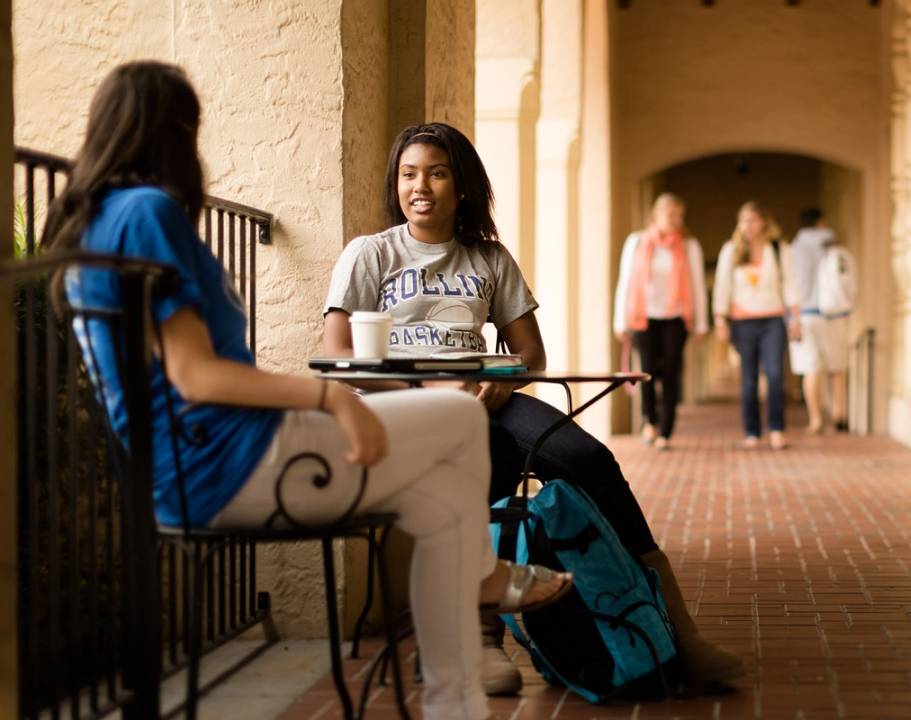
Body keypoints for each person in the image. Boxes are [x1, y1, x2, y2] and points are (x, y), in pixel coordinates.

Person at [44, 62, 570, 720]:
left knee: (440, 505)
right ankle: (481, 598)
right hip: (228, 463)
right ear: (176, 131)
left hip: (185, 469)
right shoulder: (148, 211)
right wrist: (330, 398)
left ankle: (457, 696)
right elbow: (195, 376)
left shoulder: (98, 218)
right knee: (460, 420)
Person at [322, 122, 745, 696]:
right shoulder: (370, 254)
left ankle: (677, 629)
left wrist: (500, 384)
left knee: (586, 457)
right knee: (483, 458)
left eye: (437, 173)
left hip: (484, 399)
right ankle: (478, 636)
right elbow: (340, 355)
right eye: (408, 174)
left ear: (462, 185)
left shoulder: (488, 259)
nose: (420, 186)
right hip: (405, 408)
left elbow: (531, 353)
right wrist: (424, 395)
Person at [613, 193, 708, 451]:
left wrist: (701, 324)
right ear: (657, 215)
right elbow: (625, 281)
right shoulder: (636, 242)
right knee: (646, 371)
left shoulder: (689, 245)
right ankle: (649, 422)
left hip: (676, 319)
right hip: (644, 317)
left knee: (671, 372)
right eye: (671, 215)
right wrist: (619, 321)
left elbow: (697, 285)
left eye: (680, 216)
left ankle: (666, 430)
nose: (676, 220)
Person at [713, 201, 801, 450]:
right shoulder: (731, 251)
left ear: (764, 221)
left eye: (752, 220)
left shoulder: (778, 249)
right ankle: (752, 431)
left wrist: (795, 319)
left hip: (773, 320)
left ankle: (776, 428)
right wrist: (721, 319)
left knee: (774, 375)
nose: (747, 226)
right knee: (749, 378)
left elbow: (790, 285)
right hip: (743, 322)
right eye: (743, 221)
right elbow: (722, 287)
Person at [789, 207, 850, 433]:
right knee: (837, 367)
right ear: (821, 222)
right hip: (833, 314)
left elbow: (789, 286)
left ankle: (815, 419)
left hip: (804, 315)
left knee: (810, 368)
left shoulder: (793, 249)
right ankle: (839, 414)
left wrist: (791, 318)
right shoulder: (833, 245)